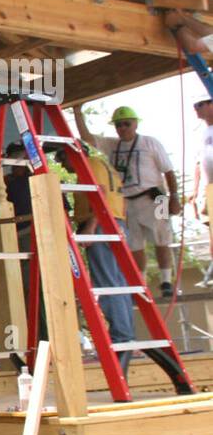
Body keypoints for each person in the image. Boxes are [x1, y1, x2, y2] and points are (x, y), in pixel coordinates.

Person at [74, 105, 180, 298]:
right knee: (134, 244)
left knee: (162, 237)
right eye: (118, 125)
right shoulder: (113, 145)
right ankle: (141, 284)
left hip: (156, 196)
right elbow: (87, 138)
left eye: (126, 124)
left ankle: (166, 282)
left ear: (135, 124)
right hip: (128, 200)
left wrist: (174, 197)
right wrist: (77, 113)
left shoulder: (150, 143)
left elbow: (169, 171)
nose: (122, 128)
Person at [60, 146, 135, 377]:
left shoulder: (89, 164)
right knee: (119, 283)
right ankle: (126, 335)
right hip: (116, 223)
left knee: (107, 283)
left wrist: (92, 225)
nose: (63, 166)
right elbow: (119, 196)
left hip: (103, 224)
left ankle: (121, 337)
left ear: (72, 154)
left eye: (62, 160)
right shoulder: (103, 163)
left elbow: (99, 192)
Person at [197, 97, 213, 286]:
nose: (196, 109)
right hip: (210, 189)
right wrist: (197, 193)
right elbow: (199, 163)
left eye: (200, 104)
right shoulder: (202, 133)